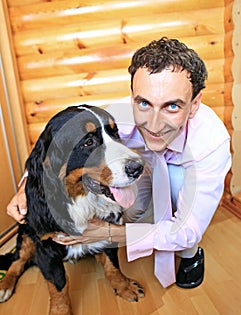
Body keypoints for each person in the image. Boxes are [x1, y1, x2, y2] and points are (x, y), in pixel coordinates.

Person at [7, 37, 231, 289]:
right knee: (133, 207)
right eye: (143, 102)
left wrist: (109, 233)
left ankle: (190, 256)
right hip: (141, 168)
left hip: (182, 174)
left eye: (172, 106)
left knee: (182, 209)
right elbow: (55, 144)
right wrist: (25, 185)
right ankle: (145, 228)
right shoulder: (114, 117)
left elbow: (189, 227)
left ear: (194, 104)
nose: (154, 124)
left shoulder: (212, 143)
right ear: (133, 97)